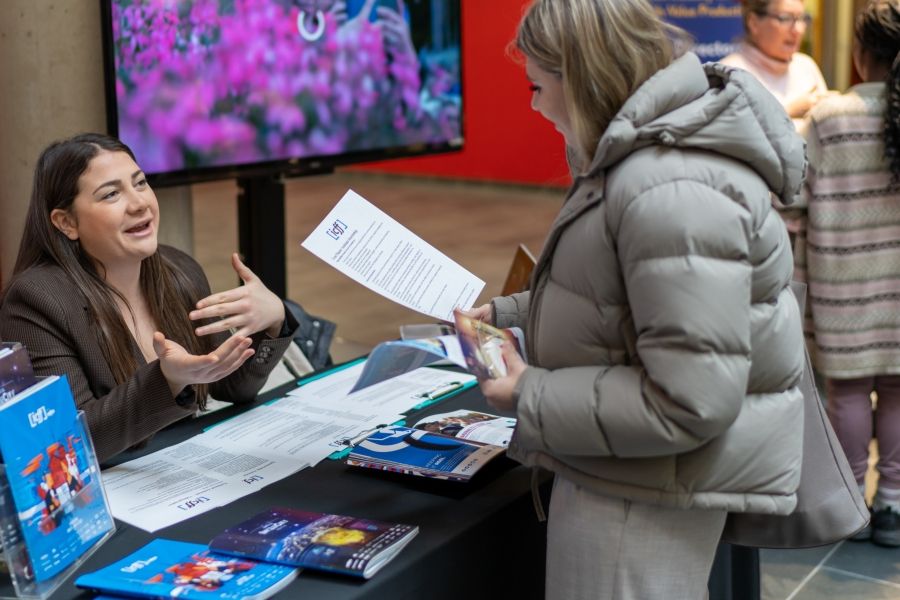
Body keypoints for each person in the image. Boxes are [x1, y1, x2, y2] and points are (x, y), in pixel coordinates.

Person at [466, 0, 806, 597]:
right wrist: (512, 314)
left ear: (582, 76)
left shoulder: (668, 186)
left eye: (537, 85)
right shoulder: (651, 164)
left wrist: (528, 391)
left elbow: (687, 399)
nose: (534, 104)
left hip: (636, 495)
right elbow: (629, 299)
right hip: (636, 476)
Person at [0, 133, 301, 463]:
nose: (140, 203)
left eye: (140, 183)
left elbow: (231, 388)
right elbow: (68, 442)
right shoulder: (35, 300)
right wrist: (167, 380)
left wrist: (274, 320)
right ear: (67, 222)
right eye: (112, 194)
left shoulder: (178, 270)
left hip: (183, 471)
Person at [804, 0, 900, 548]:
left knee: (845, 395)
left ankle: (846, 506)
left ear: (861, 56)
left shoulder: (829, 118)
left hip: (841, 286)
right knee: (897, 394)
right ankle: (892, 506)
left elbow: (795, 210)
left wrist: (798, 288)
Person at [720, 0, 829, 125]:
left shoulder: (806, 66)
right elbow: (730, 137)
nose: (798, 30)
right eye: (785, 18)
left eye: (802, 18)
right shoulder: (729, 73)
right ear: (754, 23)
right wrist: (788, 112)